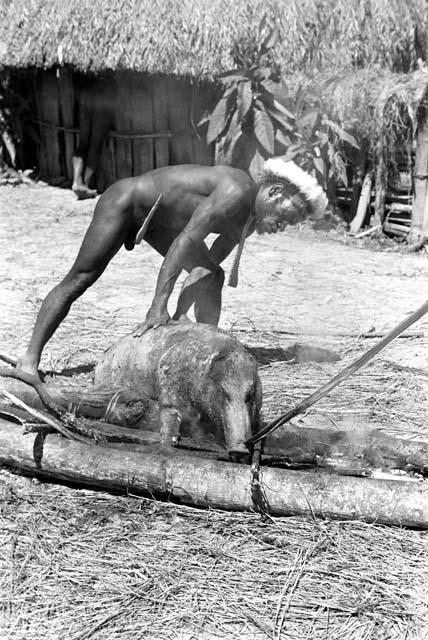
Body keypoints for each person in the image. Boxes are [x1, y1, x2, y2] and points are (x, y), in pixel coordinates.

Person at [17, 159, 328, 381]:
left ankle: (208, 358)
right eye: (292, 212)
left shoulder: (249, 220)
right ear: (274, 192)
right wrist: (157, 308)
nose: (287, 224)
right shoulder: (236, 190)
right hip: (128, 202)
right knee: (80, 279)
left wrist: (179, 315)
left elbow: (206, 270)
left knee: (214, 276)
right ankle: (29, 362)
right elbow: (186, 240)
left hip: (161, 222)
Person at [72, 74, 115, 200]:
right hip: (104, 96)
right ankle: (85, 184)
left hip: (87, 93)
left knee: (83, 143)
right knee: (96, 144)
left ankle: (76, 181)